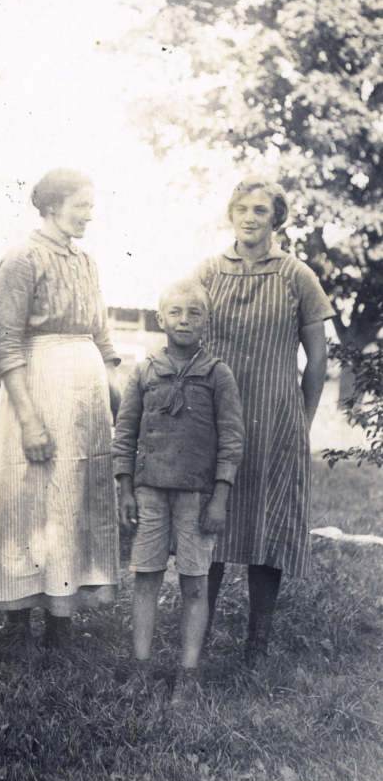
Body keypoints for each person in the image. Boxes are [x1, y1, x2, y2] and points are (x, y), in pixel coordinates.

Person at [193, 176, 335, 666]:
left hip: (276, 420)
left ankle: (257, 644)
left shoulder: (297, 275)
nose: (250, 217)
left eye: (260, 210)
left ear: (277, 218)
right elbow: (185, 335)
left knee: (266, 532)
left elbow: (318, 360)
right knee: (208, 529)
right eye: (242, 209)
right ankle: (199, 638)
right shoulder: (209, 271)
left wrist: (304, 418)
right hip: (214, 420)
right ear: (230, 214)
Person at [0, 168, 121, 656]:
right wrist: (30, 419)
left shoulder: (86, 261)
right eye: (81, 205)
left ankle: (61, 623)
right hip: (38, 388)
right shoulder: (21, 259)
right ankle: (17, 626)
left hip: (86, 395)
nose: (88, 214)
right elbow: (6, 345)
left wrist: (117, 398)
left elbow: (103, 339)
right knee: (28, 500)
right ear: (51, 206)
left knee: (71, 501)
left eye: (90, 206)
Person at [114, 281, 245, 703]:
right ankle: (140, 667)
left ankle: (187, 675)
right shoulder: (145, 371)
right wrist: (125, 487)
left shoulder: (217, 373)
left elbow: (232, 439)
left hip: (198, 498)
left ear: (207, 321)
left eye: (194, 313)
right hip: (150, 491)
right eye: (175, 312)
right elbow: (125, 432)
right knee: (147, 579)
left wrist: (220, 496)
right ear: (161, 318)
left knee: (194, 585)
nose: (184, 320)